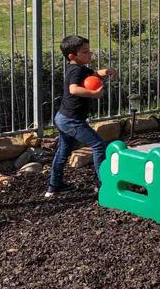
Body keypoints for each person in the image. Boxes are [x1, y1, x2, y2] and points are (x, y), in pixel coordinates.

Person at [46, 35, 118, 198]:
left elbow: (94, 73)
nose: (89, 54)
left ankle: (54, 187)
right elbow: (74, 89)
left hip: (63, 118)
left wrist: (106, 71)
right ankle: (103, 184)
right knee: (99, 145)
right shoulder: (76, 71)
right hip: (71, 120)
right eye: (85, 52)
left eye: (89, 51)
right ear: (73, 56)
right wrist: (93, 93)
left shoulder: (79, 68)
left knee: (63, 151)